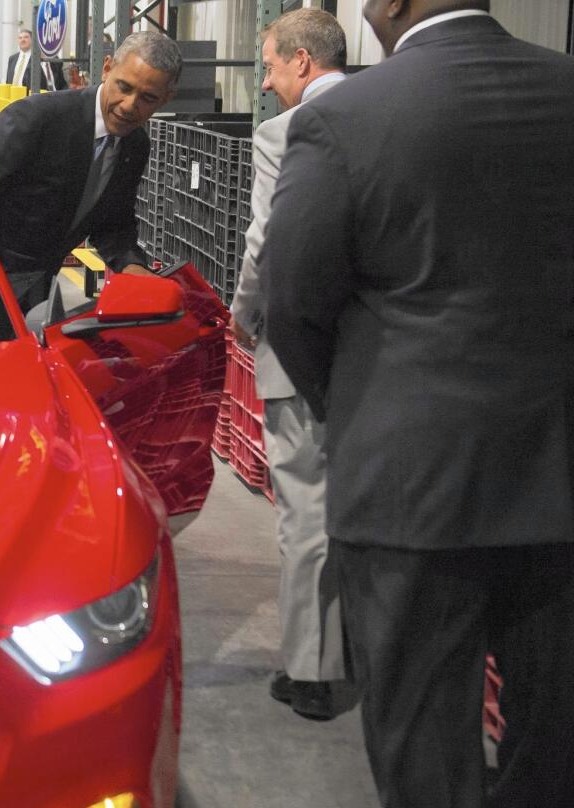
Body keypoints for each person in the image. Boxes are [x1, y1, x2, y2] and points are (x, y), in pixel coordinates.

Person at [262, 1, 574, 806]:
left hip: (409, 495)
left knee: (425, 755)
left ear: (392, 5)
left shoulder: (348, 119)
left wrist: (357, 411)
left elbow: (292, 301)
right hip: (556, 484)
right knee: (550, 750)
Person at [229, 7, 349, 721]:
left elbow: (267, 239)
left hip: (302, 349)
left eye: (271, 67)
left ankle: (310, 670)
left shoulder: (287, 131)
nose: (269, 84)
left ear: (302, 61)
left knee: (305, 508)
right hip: (382, 354)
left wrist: (243, 316)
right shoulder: (390, 109)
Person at [0, 30, 181, 310]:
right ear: (107, 68)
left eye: (147, 98)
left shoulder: (134, 145)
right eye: (124, 87)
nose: (129, 105)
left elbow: (113, 224)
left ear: (166, 98)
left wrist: (132, 266)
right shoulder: (36, 118)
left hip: (39, 284)